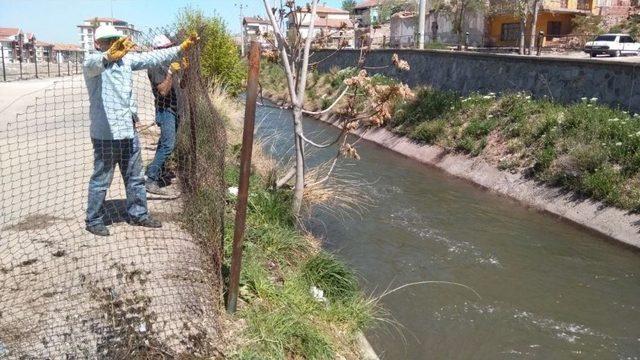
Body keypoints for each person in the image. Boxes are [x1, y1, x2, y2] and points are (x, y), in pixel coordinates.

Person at [83, 25, 198, 236]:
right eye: (107, 41)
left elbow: (154, 57)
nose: (112, 45)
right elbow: (94, 63)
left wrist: (181, 48)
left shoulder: (127, 61)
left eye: (115, 40)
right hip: (105, 136)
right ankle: (94, 219)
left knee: (135, 178)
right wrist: (107, 56)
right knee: (101, 180)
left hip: (129, 132)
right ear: (97, 44)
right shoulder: (92, 63)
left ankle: (139, 214)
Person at [145, 34, 185, 195]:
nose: (171, 50)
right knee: (168, 145)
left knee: (165, 144)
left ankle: (157, 171)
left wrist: (186, 71)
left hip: (174, 109)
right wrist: (170, 72)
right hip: (165, 110)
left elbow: (182, 85)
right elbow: (162, 91)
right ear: (160, 50)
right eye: (168, 48)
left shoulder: (169, 63)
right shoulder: (155, 65)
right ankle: (151, 179)